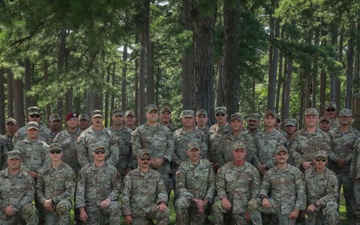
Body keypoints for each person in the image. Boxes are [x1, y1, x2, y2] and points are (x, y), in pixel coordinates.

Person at [211, 141, 262, 225]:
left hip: (244, 203)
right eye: (236, 151)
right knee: (216, 207)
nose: (239, 154)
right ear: (232, 152)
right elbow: (220, 187)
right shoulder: (224, 169)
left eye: (241, 151)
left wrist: (250, 208)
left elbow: (255, 191)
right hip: (228, 201)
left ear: (245, 153)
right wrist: (223, 198)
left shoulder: (252, 170)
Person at [131, 104, 174, 194]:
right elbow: (136, 148)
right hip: (145, 167)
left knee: (163, 194)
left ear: (158, 115)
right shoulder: (139, 131)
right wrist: (147, 160)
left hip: (163, 168)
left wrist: (162, 159)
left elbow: (170, 147)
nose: (153, 114)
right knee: (144, 194)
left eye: (155, 112)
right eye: (151, 112)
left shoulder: (166, 131)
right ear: (146, 114)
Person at [13, 121, 50, 224]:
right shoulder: (19, 145)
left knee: (41, 205)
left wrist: (37, 172)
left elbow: (48, 161)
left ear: (38, 131)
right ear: (26, 131)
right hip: (23, 179)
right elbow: (16, 160)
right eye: (31, 130)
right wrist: (28, 172)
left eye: (35, 130)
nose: (33, 132)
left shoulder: (45, 146)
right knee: (23, 204)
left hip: (40, 179)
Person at [259, 145, 306, 225]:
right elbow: (263, 187)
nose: (281, 156)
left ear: (287, 156)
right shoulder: (270, 172)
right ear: (275, 156)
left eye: (284, 154)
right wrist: (264, 198)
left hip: (288, 208)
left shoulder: (296, 172)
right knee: (252, 204)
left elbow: (301, 192)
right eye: (279, 154)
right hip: (274, 205)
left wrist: (297, 210)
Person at [76, 143, 122, 225]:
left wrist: (109, 199)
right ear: (92, 153)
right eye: (97, 152)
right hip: (91, 207)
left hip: (107, 205)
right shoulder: (85, 170)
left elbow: (118, 188)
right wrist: (81, 210)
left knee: (115, 206)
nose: (100, 154)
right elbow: (80, 191)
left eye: (102, 152)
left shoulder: (112, 170)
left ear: (105, 153)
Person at [328, 109, 359, 224]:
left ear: (351, 119)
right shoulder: (331, 133)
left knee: (350, 197)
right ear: (338, 118)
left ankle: (352, 221)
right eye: (342, 116)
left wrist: (346, 160)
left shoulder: (356, 134)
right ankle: (333, 221)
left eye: (347, 116)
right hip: (334, 170)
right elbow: (327, 149)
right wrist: (337, 159)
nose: (345, 118)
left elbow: (356, 151)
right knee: (333, 196)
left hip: (349, 170)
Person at [122, 149, 169, 225]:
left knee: (165, 211)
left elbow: (162, 191)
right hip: (136, 211)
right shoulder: (130, 175)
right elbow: (125, 196)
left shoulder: (156, 175)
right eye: (143, 159)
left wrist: (162, 202)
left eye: (148, 159)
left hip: (150, 208)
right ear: (138, 159)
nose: (145, 161)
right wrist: (127, 214)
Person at [175, 142, 215, 225]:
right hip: (189, 199)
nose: (194, 153)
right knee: (180, 203)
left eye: (196, 150)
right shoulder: (183, 166)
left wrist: (205, 201)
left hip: (203, 200)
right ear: (187, 152)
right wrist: (195, 199)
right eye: (191, 151)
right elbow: (180, 187)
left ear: (199, 151)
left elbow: (212, 185)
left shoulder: (207, 165)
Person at [36, 143, 76, 225]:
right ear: (49, 154)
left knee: (63, 206)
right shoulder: (44, 170)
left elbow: (70, 191)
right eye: (52, 152)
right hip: (47, 205)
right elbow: (38, 188)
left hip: (62, 202)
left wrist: (53, 201)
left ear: (61, 153)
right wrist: (44, 201)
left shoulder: (68, 170)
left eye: (57, 152)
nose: (55, 154)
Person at [0, 150, 38, 224]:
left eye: (16, 159)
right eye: (12, 159)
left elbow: (30, 195)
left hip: (20, 211)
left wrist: (16, 207)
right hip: (2, 212)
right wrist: (4, 208)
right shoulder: (0, 176)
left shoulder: (27, 177)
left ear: (20, 161)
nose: (14, 162)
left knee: (31, 209)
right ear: (7, 161)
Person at [305, 151, 339, 225]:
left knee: (331, 208)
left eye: (323, 160)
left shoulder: (331, 176)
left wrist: (316, 204)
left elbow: (333, 194)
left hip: (325, 204)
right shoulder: (307, 173)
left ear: (326, 161)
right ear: (314, 160)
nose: (320, 162)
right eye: (318, 160)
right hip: (311, 204)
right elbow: (303, 190)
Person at [253, 110, 286, 175]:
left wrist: (265, 166)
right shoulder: (257, 135)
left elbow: (279, 154)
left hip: (274, 171)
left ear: (275, 121)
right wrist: (258, 166)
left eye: (272, 118)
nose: (269, 120)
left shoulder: (280, 136)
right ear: (264, 120)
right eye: (267, 118)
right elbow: (253, 152)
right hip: (257, 170)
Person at [110, 108, 136, 179]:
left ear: (124, 118)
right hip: (110, 170)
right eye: (116, 116)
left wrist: (131, 167)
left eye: (120, 116)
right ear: (112, 118)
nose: (118, 118)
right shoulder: (107, 133)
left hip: (126, 171)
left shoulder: (131, 133)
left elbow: (134, 152)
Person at [208, 106, 231, 171]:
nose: (220, 116)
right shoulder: (212, 129)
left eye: (222, 114)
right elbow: (209, 146)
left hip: (226, 164)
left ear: (226, 115)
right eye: (218, 115)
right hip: (212, 164)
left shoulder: (231, 129)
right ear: (215, 116)